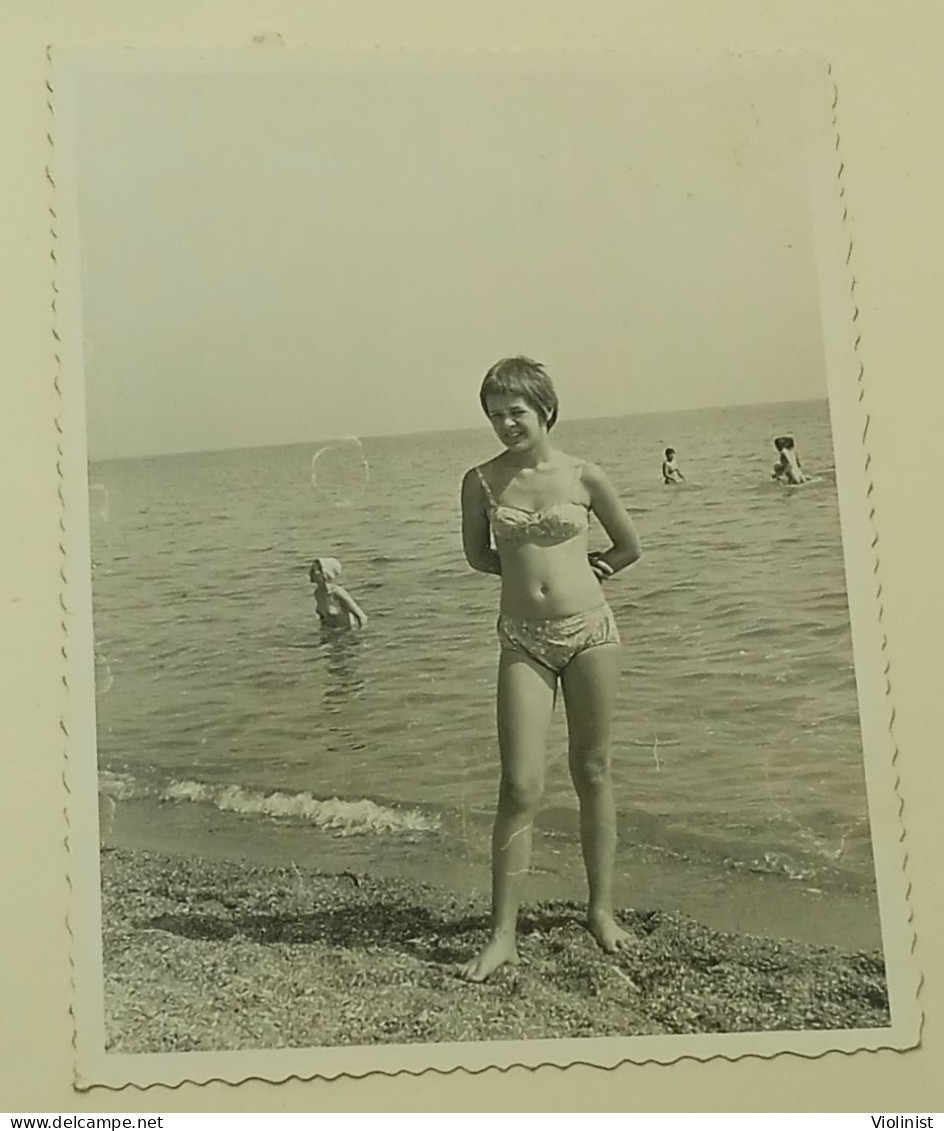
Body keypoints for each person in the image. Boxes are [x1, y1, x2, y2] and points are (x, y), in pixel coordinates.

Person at [459, 356, 642, 982]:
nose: (505, 423)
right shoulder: (480, 481)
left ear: (544, 409)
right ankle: (502, 935)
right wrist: (527, 578)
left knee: (592, 770)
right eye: (494, 414)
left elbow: (628, 544)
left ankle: (601, 912)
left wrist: (594, 571)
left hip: (592, 632)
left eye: (516, 411)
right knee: (519, 786)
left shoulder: (585, 475)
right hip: (522, 639)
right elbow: (479, 556)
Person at [308, 557, 368, 630]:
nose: (309, 573)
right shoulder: (318, 593)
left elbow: (362, 617)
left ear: (324, 573)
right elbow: (323, 618)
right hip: (329, 634)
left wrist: (360, 635)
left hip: (346, 633)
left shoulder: (337, 592)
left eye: (313, 570)